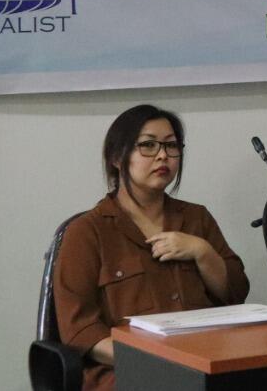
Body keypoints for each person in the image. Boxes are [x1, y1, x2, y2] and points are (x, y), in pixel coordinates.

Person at [54, 104, 249, 391]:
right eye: (148, 145)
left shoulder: (196, 218)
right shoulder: (86, 232)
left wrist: (202, 252)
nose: (162, 156)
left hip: (205, 364)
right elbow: (80, 331)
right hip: (127, 372)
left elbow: (234, 294)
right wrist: (157, 360)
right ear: (117, 158)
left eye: (171, 146)